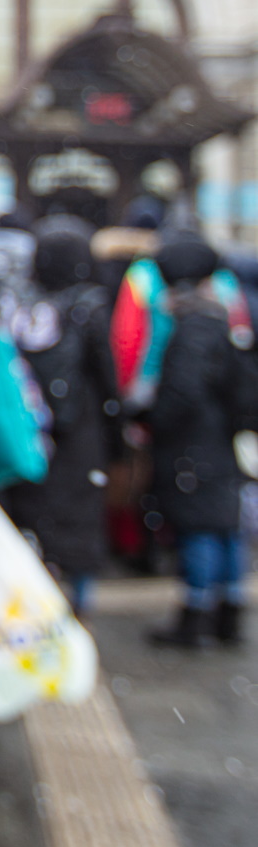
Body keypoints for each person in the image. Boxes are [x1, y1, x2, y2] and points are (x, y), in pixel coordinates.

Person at [0, 216, 122, 615]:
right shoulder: (90, 306)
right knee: (81, 532)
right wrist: (116, 436)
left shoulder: (21, 303)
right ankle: (77, 615)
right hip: (82, 435)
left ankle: (37, 613)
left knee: (35, 528)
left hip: (33, 430)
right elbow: (107, 378)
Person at [146, 235, 249, 648]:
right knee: (225, 526)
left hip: (192, 446)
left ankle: (196, 617)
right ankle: (229, 612)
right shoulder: (221, 320)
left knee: (199, 527)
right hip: (218, 440)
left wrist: (156, 420)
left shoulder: (192, 327)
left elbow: (182, 391)